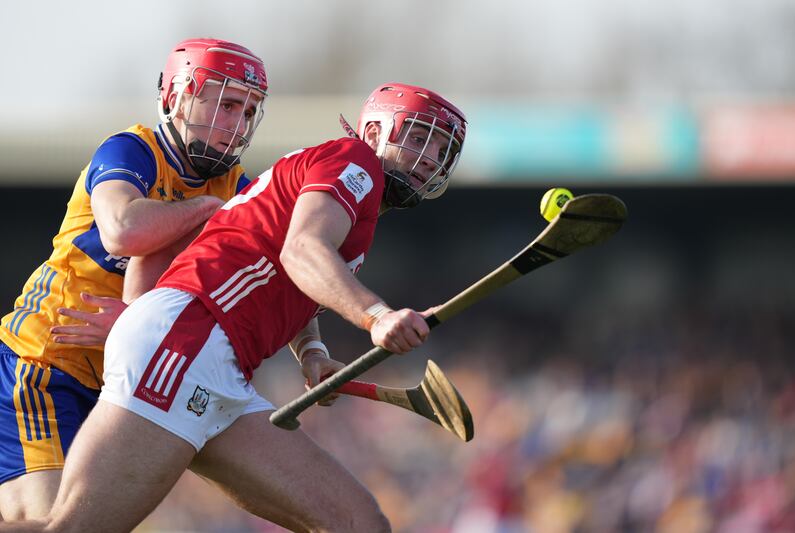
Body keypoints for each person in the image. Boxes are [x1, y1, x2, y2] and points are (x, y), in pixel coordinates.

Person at [0, 82, 467, 532]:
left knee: (358, 522)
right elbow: (302, 252)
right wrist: (376, 315)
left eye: (440, 150)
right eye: (418, 137)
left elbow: (296, 282)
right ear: (372, 132)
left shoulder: (345, 203)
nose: (428, 158)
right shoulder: (354, 161)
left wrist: (313, 357)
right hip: (188, 343)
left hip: (218, 366)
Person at [0, 38, 268, 520]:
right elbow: (124, 231)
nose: (237, 125)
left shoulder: (238, 186)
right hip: (44, 364)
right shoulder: (133, 150)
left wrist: (311, 350)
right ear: (176, 98)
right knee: (50, 523)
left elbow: (278, 266)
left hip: (118, 387)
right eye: (226, 105)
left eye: (248, 112)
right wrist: (206, 208)